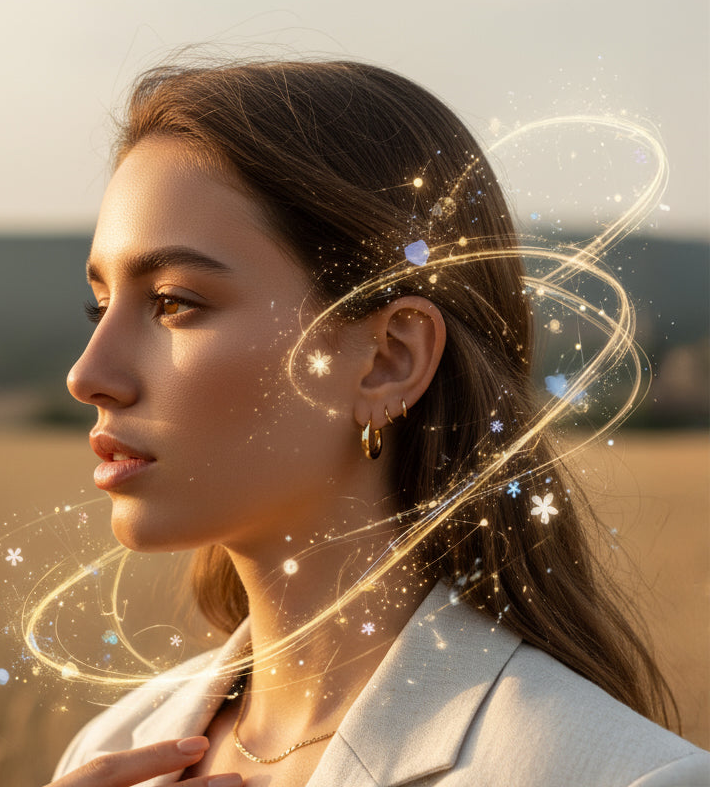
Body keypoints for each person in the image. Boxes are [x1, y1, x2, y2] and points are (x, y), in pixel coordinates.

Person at [48, 59, 709, 786]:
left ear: (388, 359)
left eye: (175, 303)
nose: (88, 374)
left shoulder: (621, 777)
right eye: (99, 305)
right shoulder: (110, 753)